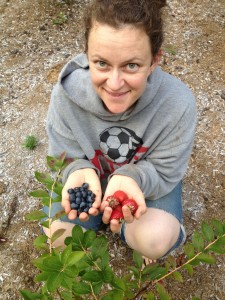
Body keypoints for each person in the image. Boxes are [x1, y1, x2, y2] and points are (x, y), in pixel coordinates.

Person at [43, 0, 196, 261]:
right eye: (101, 63)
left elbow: (165, 169)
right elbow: (62, 155)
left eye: (131, 66)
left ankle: (141, 232)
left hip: (147, 182)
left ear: (154, 60)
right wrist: (76, 169)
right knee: (57, 236)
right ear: (87, 54)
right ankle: (103, 218)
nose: (114, 84)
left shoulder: (177, 104)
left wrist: (133, 177)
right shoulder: (66, 95)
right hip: (91, 179)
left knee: (154, 239)